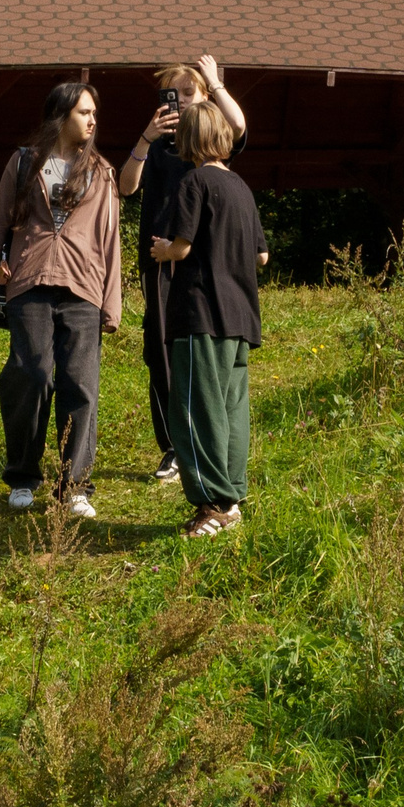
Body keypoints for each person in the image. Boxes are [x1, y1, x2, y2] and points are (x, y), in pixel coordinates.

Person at [0, 79, 129, 518]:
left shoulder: (101, 172)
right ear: (61, 117)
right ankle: (23, 476)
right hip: (30, 284)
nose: (93, 120)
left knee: (81, 384)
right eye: (84, 112)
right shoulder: (24, 163)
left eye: (94, 113)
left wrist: (111, 304)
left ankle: (74, 486)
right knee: (32, 375)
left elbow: (110, 240)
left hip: (84, 289)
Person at [116, 56, 247, 483]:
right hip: (159, 257)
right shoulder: (157, 145)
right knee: (160, 349)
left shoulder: (214, 142)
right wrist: (145, 137)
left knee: (203, 350)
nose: (181, 102)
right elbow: (125, 187)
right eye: (173, 94)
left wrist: (216, 82)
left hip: (204, 262)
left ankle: (206, 445)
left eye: (189, 93)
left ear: (205, 96)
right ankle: (173, 446)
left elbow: (240, 128)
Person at [146, 102, 264, 537]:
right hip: (241, 319)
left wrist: (163, 250)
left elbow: (182, 246)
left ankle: (210, 504)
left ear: (189, 142)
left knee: (197, 409)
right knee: (233, 411)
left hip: (200, 313)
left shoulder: (193, 182)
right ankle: (231, 499)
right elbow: (263, 254)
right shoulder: (242, 188)